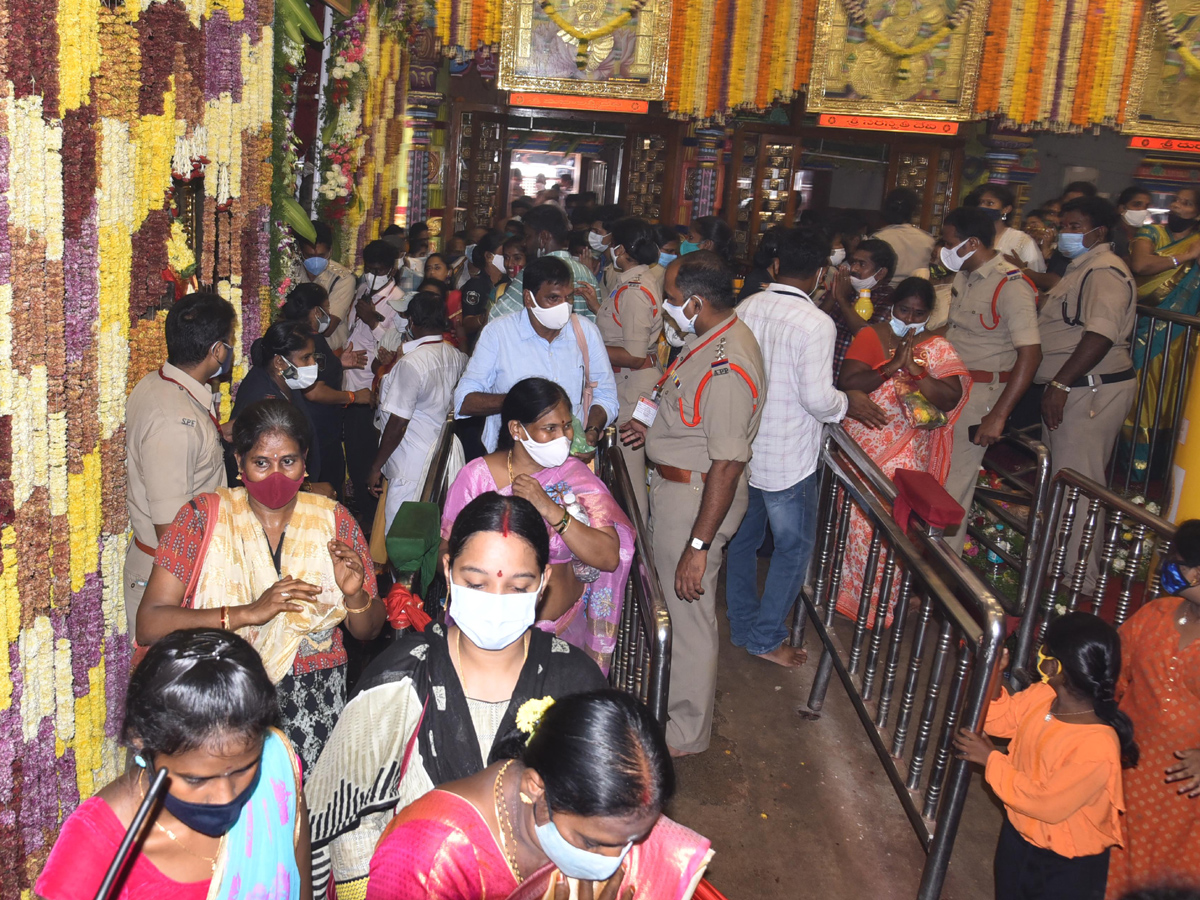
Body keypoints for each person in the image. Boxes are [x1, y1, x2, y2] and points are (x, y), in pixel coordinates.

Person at [306, 493, 608, 898]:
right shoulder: (399, 682)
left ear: (543, 585)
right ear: (448, 572)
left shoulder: (575, 686)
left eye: (517, 586)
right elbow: (345, 824)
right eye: (477, 583)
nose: (495, 602)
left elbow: (602, 825)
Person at [137, 399, 384, 772]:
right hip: (224, 701)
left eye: (288, 461)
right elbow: (150, 623)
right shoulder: (201, 519)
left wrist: (355, 594)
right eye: (261, 463)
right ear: (239, 464)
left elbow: (369, 630)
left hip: (315, 705)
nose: (275, 476)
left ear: (305, 460)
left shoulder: (334, 522)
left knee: (306, 818)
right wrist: (247, 613)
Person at [35, 629, 310, 900]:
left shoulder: (277, 770)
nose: (227, 797)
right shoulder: (95, 845)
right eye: (196, 780)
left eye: (243, 769)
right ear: (141, 741)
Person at [620, 251, 765, 756]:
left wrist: (699, 545)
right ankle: (665, 699)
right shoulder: (703, 340)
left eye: (674, 301)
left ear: (698, 303)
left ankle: (685, 731)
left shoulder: (729, 363)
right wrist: (648, 424)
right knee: (673, 609)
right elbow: (676, 398)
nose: (665, 308)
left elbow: (727, 463)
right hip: (677, 490)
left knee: (690, 613)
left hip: (698, 498)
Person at [366, 690, 713, 900]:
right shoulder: (429, 858)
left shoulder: (621, 819)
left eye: (635, 840)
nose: (616, 861)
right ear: (536, 788)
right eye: (590, 844)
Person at [729, 227, 890, 665]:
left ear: (777, 266)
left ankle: (743, 627)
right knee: (793, 547)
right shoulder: (816, 323)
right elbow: (819, 399)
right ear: (822, 274)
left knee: (743, 541)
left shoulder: (749, 305)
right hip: (788, 456)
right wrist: (847, 402)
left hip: (745, 448)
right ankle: (765, 637)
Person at [442, 378, 633, 671]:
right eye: (550, 429)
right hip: (488, 637)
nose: (564, 437)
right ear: (517, 430)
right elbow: (449, 555)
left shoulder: (576, 477)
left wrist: (549, 507)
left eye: (567, 426)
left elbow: (608, 557)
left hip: (564, 636)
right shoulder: (477, 478)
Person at [953, 612, 1138, 900]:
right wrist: (993, 671)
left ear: (1055, 666)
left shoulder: (1097, 745)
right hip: (1020, 837)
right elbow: (996, 720)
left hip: (1066, 865)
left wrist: (991, 759)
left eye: (1044, 649)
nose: (1038, 655)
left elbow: (1046, 803)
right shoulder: (1044, 696)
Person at [836, 277, 970, 625]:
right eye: (903, 310)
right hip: (864, 448)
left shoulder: (936, 346)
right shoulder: (873, 335)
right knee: (857, 526)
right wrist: (891, 367)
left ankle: (883, 607)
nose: (909, 318)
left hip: (908, 455)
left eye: (918, 313)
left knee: (894, 530)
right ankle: (850, 597)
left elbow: (951, 398)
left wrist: (916, 372)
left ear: (929, 314)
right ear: (891, 307)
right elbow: (848, 382)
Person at [1035, 196, 1137, 584]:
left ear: (1100, 232)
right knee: (1063, 482)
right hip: (1075, 387)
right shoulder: (1084, 267)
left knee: (1077, 487)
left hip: (1089, 389)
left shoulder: (1105, 271)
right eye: (1065, 224)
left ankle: (1077, 581)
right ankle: (1058, 568)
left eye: (1075, 227)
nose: (1066, 232)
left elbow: (1100, 334)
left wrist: (1060, 382)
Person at [124, 292, 235, 634]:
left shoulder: (162, 383)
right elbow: (171, 531)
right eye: (230, 342)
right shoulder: (174, 422)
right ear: (217, 350)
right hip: (174, 578)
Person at [937, 206, 1041, 553]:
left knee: (955, 484)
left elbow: (1030, 354)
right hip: (952, 386)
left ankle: (942, 576)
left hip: (982, 392)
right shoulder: (965, 275)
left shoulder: (1010, 285)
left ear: (972, 243)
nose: (943, 248)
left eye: (948, 241)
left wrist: (998, 415)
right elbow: (956, 329)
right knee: (938, 474)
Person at [1105, 522, 1200, 897]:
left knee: (1167, 878)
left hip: (1184, 796)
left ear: (1196, 571)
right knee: (1114, 867)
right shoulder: (1158, 613)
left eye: (1174, 559)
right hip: (1128, 771)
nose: (1166, 566)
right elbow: (1114, 673)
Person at [456, 255, 618, 454]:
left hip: (568, 458)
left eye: (568, 298)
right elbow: (464, 401)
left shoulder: (585, 332)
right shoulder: (498, 333)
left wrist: (591, 432)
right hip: (512, 459)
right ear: (528, 298)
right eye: (553, 298)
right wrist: (521, 402)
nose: (564, 306)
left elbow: (607, 395)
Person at [367, 292, 467, 533]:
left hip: (412, 462)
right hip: (444, 456)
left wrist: (376, 466)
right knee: (433, 534)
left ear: (412, 322)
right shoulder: (455, 356)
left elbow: (398, 422)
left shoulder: (412, 363)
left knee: (404, 541)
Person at [1124, 187, 1200, 479]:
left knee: (1169, 397)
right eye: (1177, 201)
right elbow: (1141, 264)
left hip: (1181, 335)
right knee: (1138, 394)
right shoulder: (1152, 233)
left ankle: (1158, 470)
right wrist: (1185, 257)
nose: (1178, 207)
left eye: (1187, 203)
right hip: (1143, 328)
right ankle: (1133, 470)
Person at [593, 216, 664, 519]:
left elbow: (634, 354)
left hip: (632, 386)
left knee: (629, 478)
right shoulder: (633, 282)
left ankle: (636, 554)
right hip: (628, 382)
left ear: (621, 249)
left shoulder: (634, 290)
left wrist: (586, 349)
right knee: (621, 472)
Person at [280, 283, 372, 496]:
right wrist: (353, 396)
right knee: (328, 486)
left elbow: (314, 371)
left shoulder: (291, 332)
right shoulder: (311, 340)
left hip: (306, 423)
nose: (328, 314)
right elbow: (314, 391)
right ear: (315, 311)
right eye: (326, 308)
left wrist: (338, 362)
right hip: (319, 429)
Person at [345, 239, 407, 530]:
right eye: (369, 269)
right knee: (354, 456)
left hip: (372, 392)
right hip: (350, 383)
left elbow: (394, 351)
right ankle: (361, 514)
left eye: (378, 269)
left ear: (392, 268)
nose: (373, 274)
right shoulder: (363, 289)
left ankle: (372, 522)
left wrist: (373, 322)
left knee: (367, 456)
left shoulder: (398, 302)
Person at [230, 320, 328, 484]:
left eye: (313, 356)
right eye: (306, 357)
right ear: (280, 363)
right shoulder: (262, 401)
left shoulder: (287, 380)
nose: (313, 364)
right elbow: (270, 467)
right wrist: (307, 489)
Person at [488, 204, 598, 322]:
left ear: (543, 237)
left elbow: (497, 317)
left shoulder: (535, 272)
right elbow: (597, 320)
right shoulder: (587, 274)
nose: (525, 243)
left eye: (528, 236)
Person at [822, 237, 898, 380]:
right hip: (827, 373)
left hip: (856, 380)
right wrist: (834, 294)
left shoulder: (889, 299)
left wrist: (843, 301)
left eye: (862, 264)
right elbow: (817, 320)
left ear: (881, 273)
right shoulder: (845, 289)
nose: (854, 269)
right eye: (853, 262)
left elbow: (867, 335)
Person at [293, 220, 356, 351]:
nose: (315, 260)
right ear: (299, 250)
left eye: (321, 255)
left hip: (328, 354)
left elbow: (326, 328)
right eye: (310, 255)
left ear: (330, 251)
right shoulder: (290, 272)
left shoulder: (343, 279)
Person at [974, 182, 1047, 273]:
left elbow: (1035, 273)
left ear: (1006, 209)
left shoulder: (1021, 240)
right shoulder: (971, 235)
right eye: (981, 203)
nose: (982, 207)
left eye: (990, 203)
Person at [873, 188, 936, 285]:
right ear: (913, 211)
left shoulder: (877, 238)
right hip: (917, 294)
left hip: (883, 295)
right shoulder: (929, 240)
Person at [460, 229, 508, 350]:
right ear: (488, 256)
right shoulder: (475, 285)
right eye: (504, 255)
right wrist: (486, 316)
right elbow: (466, 324)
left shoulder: (509, 283)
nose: (508, 260)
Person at [1114, 186, 1153, 261]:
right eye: (1137, 205)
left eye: (1146, 206)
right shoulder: (1111, 234)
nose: (1142, 210)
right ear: (1122, 208)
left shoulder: (1147, 235)